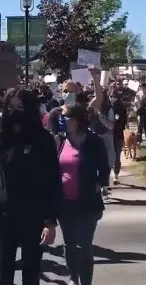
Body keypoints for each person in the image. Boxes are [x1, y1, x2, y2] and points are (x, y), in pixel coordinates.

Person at [0, 87, 61, 285]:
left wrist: (50, 221)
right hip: (3, 217)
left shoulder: (43, 139)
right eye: (10, 107)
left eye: (20, 107)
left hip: (33, 216)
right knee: (3, 274)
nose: (15, 112)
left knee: (31, 273)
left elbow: (53, 180)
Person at [57, 104, 110, 285]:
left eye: (65, 117)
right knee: (69, 245)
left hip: (88, 203)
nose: (62, 120)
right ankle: (74, 278)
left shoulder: (94, 141)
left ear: (76, 120)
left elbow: (104, 169)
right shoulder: (59, 141)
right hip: (64, 204)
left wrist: (99, 183)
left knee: (84, 245)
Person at [109, 90, 128, 184]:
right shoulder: (107, 106)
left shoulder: (120, 107)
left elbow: (124, 120)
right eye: (111, 96)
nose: (113, 98)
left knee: (114, 156)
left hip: (114, 135)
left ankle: (115, 175)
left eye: (113, 96)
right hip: (114, 135)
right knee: (114, 156)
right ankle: (114, 176)